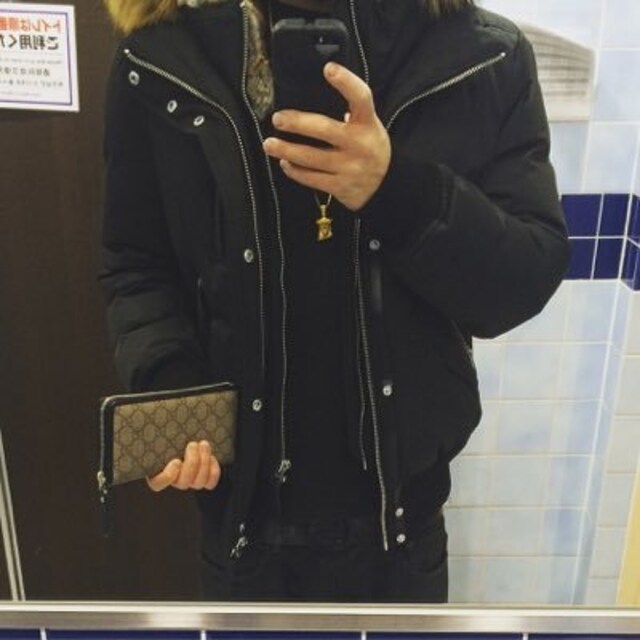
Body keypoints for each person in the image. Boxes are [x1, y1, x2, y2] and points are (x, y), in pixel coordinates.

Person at [100, 0, 570, 602]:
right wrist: (174, 386)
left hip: (402, 536)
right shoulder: (164, 55)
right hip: (240, 530)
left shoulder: (479, 53)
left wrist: (395, 189)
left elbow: (523, 277)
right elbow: (138, 262)